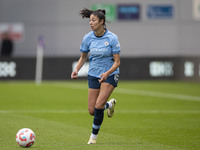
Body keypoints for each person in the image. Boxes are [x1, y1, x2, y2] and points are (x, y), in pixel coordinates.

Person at [71, 8, 121, 144]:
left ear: (101, 21)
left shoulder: (111, 38)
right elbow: (83, 57)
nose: (90, 23)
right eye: (90, 20)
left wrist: (107, 73)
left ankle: (93, 137)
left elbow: (117, 62)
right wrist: (76, 69)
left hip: (110, 74)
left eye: (93, 20)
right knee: (92, 110)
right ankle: (109, 105)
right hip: (93, 74)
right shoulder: (88, 37)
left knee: (99, 106)